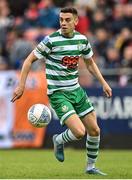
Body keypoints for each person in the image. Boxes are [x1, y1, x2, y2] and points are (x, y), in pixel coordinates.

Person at [11, 7, 112, 175]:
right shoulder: (51, 40)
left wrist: (104, 83)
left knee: (95, 130)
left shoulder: (82, 40)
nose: (63, 23)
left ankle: (90, 167)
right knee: (79, 132)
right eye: (61, 20)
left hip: (76, 91)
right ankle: (58, 140)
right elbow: (29, 61)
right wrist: (21, 85)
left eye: (67, 20)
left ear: (76, 21)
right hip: (58, 94)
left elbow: (90, 63)